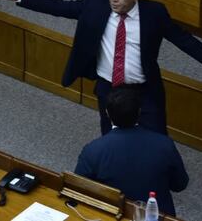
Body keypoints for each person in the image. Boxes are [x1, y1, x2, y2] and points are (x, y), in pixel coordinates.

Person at [0, 0, 202, 135]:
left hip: (144, 90)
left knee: (156, 138)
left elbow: (184, 40)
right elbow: (60, 7)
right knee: (111, 138)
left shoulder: (154, 13)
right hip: (109, 88)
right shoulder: (95, 4)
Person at [75, 87, 188, 216]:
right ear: (139, 112)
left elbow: (79, 189)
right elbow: (180, 184)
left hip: (113, 215)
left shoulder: (93, 150)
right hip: (156, 216)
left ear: (107, 113)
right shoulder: (164, 144)